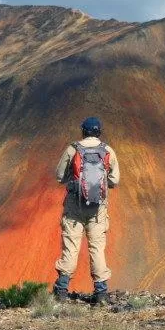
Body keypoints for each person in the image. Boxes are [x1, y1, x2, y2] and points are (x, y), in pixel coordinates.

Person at [53, 117, 120, 305]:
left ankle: (61, 290)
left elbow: (59, 176)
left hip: (74, 207)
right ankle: (100, 293)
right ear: (99, 132)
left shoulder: (73, 149)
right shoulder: (107, 150)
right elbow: (114, 180)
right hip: (97, 209)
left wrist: (75, 180)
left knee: (71, 247)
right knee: (96, 248)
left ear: (83, 131)